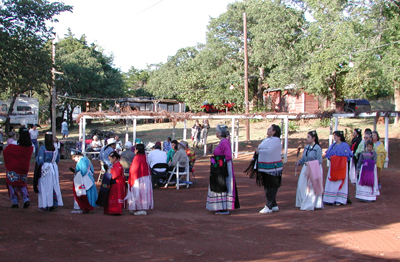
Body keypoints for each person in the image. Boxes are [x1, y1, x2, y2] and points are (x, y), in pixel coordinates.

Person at [206, 125, 239, 215]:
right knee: (219, 185)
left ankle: (223, 207)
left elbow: (228, 156)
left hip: (222, 168)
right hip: (219, 167)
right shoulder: (222, 142)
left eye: (217, 131)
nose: (216, 133)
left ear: (220, 133)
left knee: (222, 185)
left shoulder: (224, 142)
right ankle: (220, 207)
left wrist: (218, 161)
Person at [252, 124, 283, 214]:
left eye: (270, 129)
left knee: (271, 187)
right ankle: (273, 205)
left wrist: (259, 151)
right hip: (265, 167)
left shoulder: (276, 141)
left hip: (273, 168)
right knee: (267, 185)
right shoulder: (268, 140)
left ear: (274, 132)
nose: (268, 129)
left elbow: (269, 151)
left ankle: (268, 206)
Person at [4, 127, 34, 208]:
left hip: (13, 166)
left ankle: (15, 202)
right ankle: (26, 199)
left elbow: (5, 151)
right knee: (22, 183)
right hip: (24, 168)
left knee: (11, 183)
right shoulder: (31, 146)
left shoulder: (13, 143)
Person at [295, 131, 324, 211]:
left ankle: (312, 204)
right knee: (301, 185)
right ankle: (303, 202)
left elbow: (320, 161)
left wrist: (310, 163)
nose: (307, 139)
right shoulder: (307, 147)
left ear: (313, 138)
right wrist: (299, 162)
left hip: (314, 168)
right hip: (306, 168)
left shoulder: (317, 148)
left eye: (308, 137)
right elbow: (304, 158)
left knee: (312, 186)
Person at [322, 130, 353, 206]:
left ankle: (340, 199)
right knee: (332, 182)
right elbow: (328, 155)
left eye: (335, 135)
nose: (334, 137)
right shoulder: (333, 145)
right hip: (333, 167)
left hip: (341, 167)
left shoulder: (345, 145)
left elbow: (348, 157)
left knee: (340, 182)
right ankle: (330, 199)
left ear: (339, 137)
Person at [36, 132, 63, 211]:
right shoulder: (55, 148)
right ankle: (53, 203)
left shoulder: (43, 148)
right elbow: (57, 159)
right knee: (53, 186)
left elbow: (40, 160)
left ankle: (45, 205)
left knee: (44, 187)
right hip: (53, 167)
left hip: (45, 167)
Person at [126, 144, 154, 215]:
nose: (134, 150)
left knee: (138, 192)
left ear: (137, 150)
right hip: (145, 177)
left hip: (138, 178)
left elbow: (133, 169)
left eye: (135, 149)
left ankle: (139, 208)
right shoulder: (145, 157)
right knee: (143, 192)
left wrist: (132, 178)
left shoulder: (137, 158)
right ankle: (141, 207)